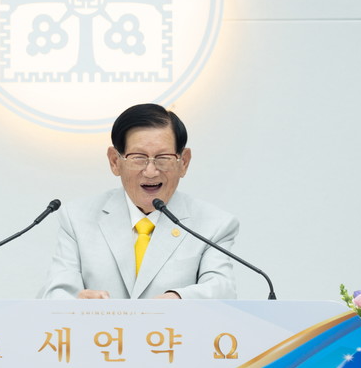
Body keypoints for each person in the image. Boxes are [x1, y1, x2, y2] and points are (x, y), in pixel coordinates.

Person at [39, 103, 238, 299]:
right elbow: (54, 293)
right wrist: (76, 303)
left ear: (183, 162)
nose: (150, 172)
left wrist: (178, 298)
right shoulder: (77, 218)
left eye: (163, 158)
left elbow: (222, 290)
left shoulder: (214, 225)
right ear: (115, 161)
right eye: (138, 157)